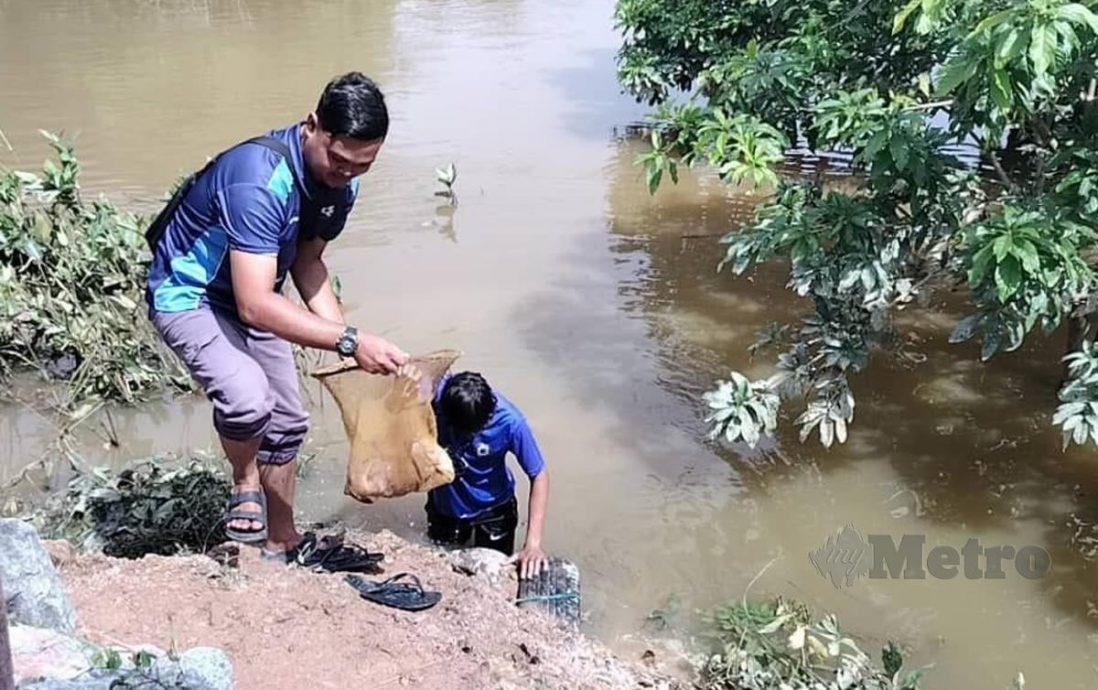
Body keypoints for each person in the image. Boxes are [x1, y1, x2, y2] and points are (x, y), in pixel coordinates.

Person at [145, 72, 408, 568]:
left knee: (288, 419)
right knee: (248, 401)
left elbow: (308, 266)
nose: (346, 174)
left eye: (362, 166)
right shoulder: (259, 179)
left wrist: (347, 349)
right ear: (312, 126)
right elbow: (254, 306)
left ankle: (280, 540)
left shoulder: (340, 189)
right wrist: (351, 341)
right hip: (192, 295)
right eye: (338, 159)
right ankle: (244, 482)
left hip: (255, 289)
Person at [425, 371, 551, 579]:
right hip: (445, 507)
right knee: (440, 569)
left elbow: (539, 475)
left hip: (494, 511)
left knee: (495, 577)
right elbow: (413, 376)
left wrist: (533, 544)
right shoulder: (440, 394)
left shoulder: (511, 423)